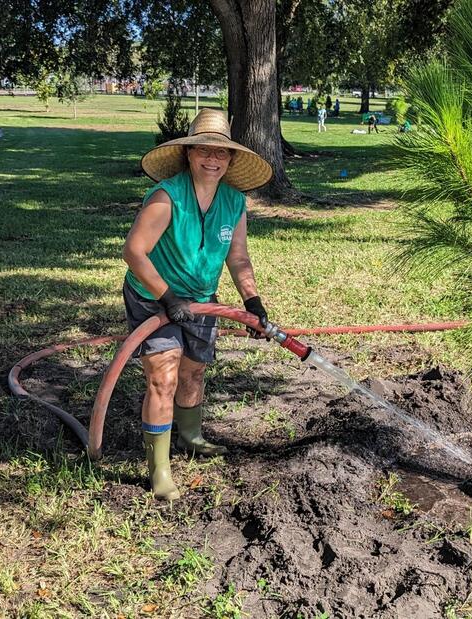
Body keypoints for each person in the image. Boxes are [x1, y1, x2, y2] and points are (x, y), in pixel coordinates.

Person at [124, 109, 273, 500]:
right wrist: (168, 298)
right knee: (164, 376)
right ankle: (159, 469)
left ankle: (189, 437)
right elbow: (135, 252)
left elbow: (237, 257)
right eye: (204, 150)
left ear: (231, 159)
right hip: (153, 296)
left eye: (221, 152)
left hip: (202, 300)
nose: (213, 159)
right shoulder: (167, 197)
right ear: (188, 153)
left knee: (192, 373)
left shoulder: (233, 202)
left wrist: (253, 301)